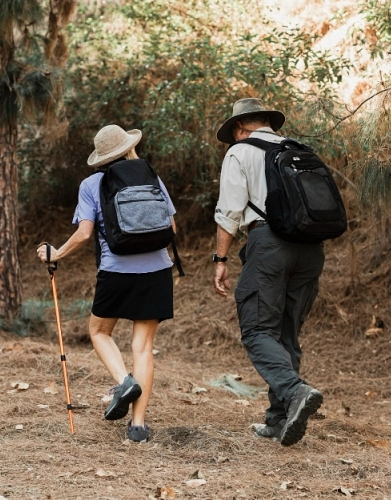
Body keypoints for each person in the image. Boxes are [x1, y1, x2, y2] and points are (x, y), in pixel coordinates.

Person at [36, 124, 177, 443]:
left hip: (117, 272)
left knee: (99, 331)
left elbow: (85, 233)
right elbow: (172, 226)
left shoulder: (91, 184)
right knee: (143, 347)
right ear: (129, 148)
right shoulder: (151, 176)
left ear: (101, 157)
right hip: (158, 271)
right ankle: (138, 426)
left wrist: (57, 252)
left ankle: (123, 381)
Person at [212, 98, 325, 446]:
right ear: (268, 123)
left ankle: (294, 391)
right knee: (286, 333)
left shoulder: (240, 152)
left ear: (238, 128)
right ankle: (278, 420)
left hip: (269, 244)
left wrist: (221, 259)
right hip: (310, 247)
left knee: (258, 329)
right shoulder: (299, 150)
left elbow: (229, 211)